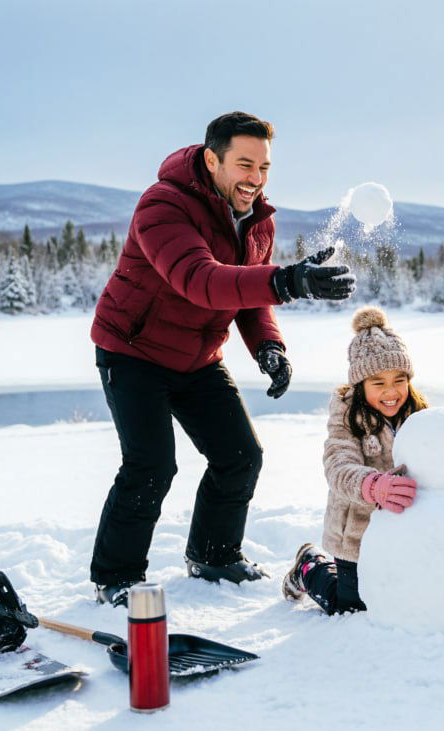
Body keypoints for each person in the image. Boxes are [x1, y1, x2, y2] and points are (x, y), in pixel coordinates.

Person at [87, 111, 357, 606]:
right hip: (133, 350)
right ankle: (116, 576)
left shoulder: (257, 222)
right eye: (244, 164)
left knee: (240, 457)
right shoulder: (161, 206)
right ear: (212, 160)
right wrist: (286, 281)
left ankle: (213, 554)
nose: (255, 179)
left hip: (196, 355)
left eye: (265, 168)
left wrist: (269, 347)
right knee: (150, 465)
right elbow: (201, 279)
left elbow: (247, 298)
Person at [281, 306, 444, 614]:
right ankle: (309, 567)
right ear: (360, 384)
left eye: (399, 380)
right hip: (357, 535)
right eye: (379, 383)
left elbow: (442, 452)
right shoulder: (347, 415)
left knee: (407, 593)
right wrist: (373, 485)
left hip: (404, 528)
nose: (391, 392)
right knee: (352, 607)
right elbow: (338, 465)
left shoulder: (419, 411)